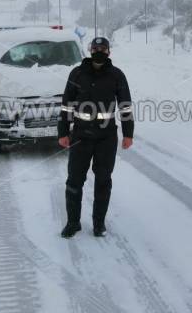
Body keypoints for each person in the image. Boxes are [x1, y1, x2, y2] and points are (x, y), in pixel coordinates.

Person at [58, 37, 134, 238]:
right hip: (80, 135)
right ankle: (73, 223)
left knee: (103, 180)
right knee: (74, 181)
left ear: (109, 52)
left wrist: (128, 134)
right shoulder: (77, 73)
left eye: (103, 48)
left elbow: (125, 106)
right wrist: (63, 132)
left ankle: (98, 224)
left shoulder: (117, 75)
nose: (99, 51)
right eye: (96, 48)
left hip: (106, 138)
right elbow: (67, 105)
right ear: (90, 50)